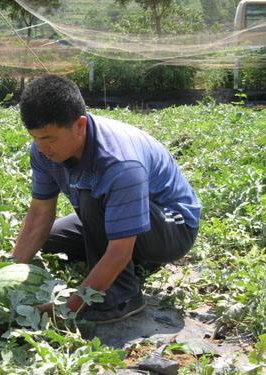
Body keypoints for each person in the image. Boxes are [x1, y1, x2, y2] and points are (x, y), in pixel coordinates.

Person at [12, 75, 201, 323]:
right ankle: (138, 263)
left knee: (93, 195)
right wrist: (8, 272)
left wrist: (69, 308)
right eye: (35, 137)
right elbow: (40, 213)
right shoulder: (43, 151)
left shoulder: (120, 163)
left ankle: (122, 297)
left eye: (48, 138)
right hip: (121, 215)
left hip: (172, 229)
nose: (42, 147)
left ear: (80, 125)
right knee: (52, 239)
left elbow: (118, 253)